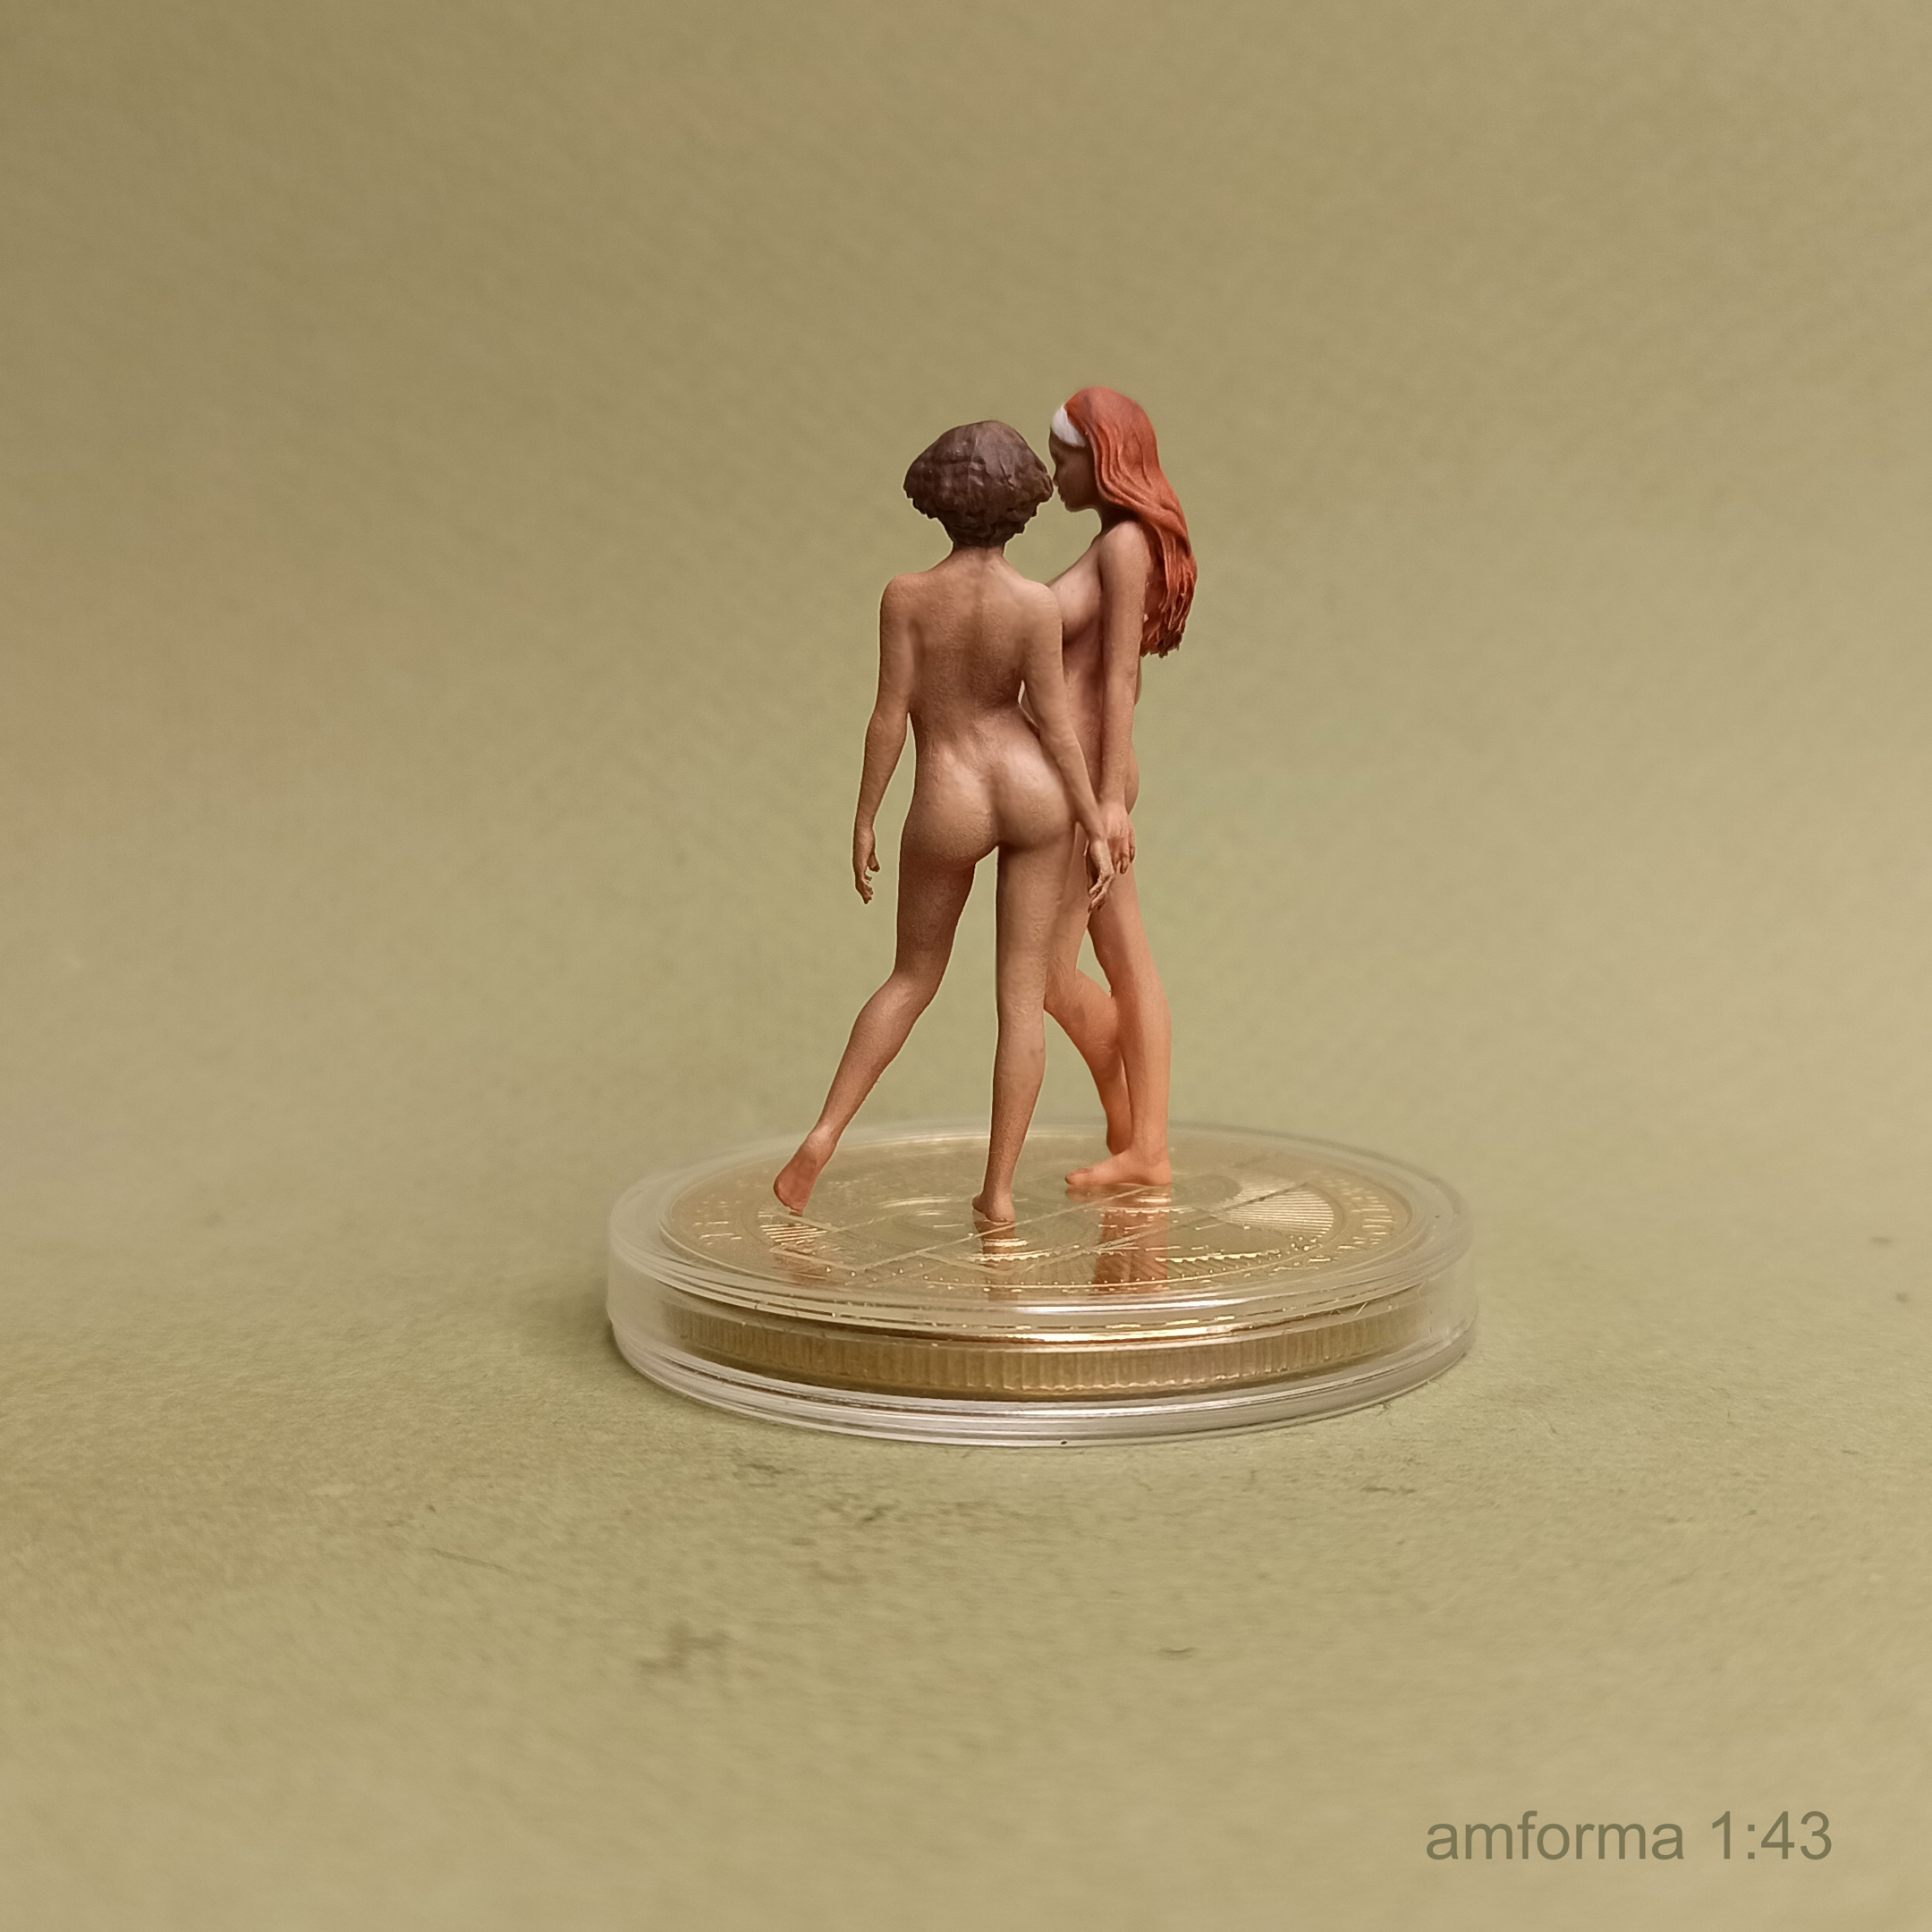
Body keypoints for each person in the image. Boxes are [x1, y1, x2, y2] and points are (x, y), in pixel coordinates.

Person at [774, 422, 1115, 1225]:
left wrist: (866, 814)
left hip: (949, 791)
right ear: (1023, 502)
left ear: (938, 498)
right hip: (1034, 790)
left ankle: (823, 1135)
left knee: (911, 978)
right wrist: (1094, 821)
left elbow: (888, 715)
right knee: (1021, 999)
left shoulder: (907, 596)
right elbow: (1056, 727)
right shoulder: (1034, 604)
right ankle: (998, 1193)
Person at [1039, 387, 1197, 1190]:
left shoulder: (1125, 546)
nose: (1055, 475)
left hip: (1090, 780)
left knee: (1048, 971)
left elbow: (1118, 677)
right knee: (1125, 956)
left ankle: (1133, 1116)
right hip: (1086, 776)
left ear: (1102, 460)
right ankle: (1144, 1144)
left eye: (1064, 459)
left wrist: (1104, 802)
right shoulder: (1113, 543)